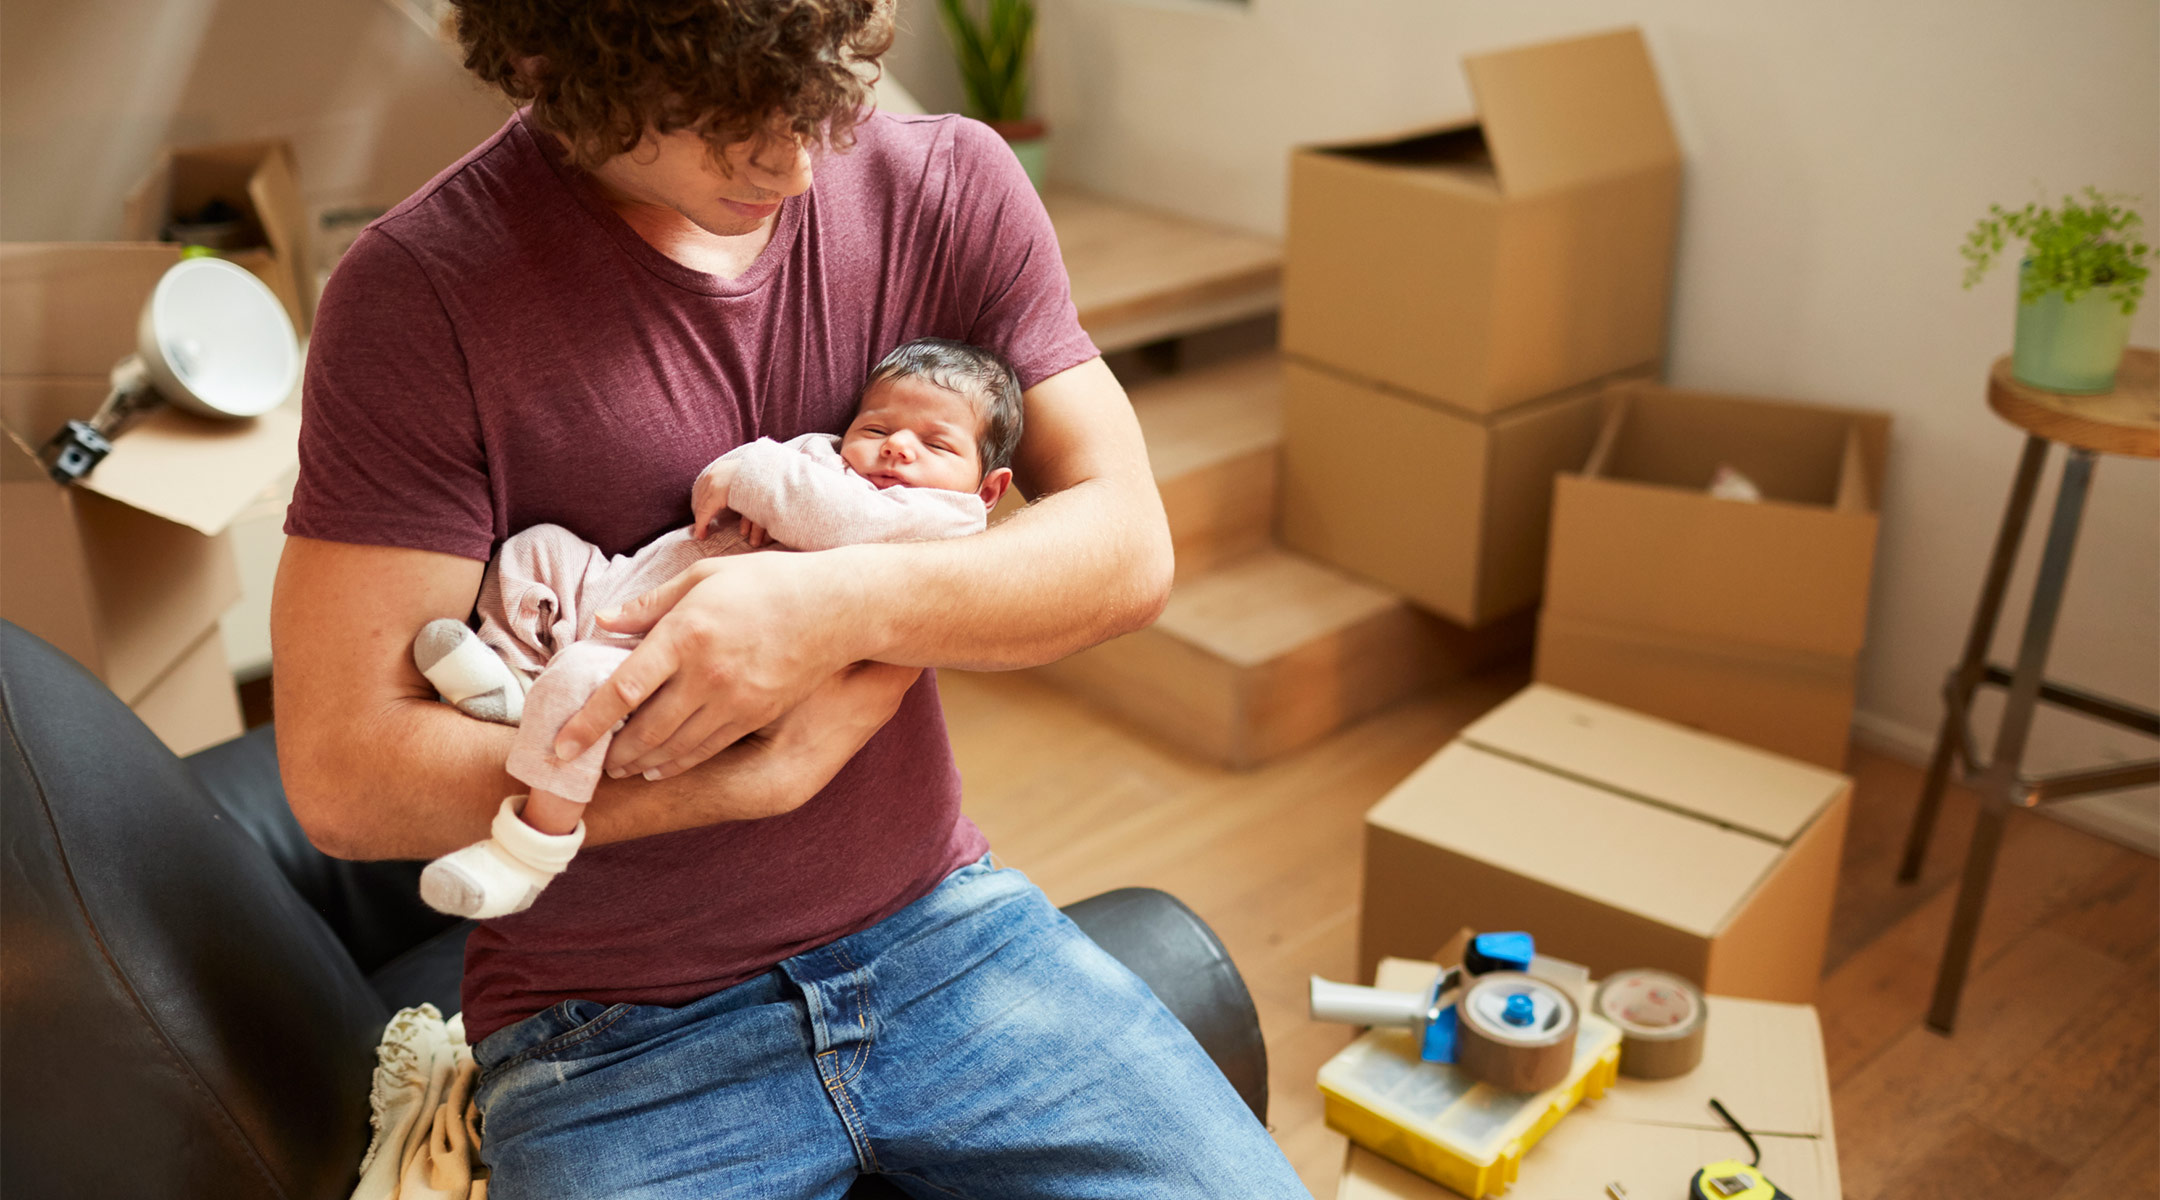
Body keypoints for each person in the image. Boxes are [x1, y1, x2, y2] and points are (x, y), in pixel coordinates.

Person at [270, 0, 1313, 1195]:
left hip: (944, 936)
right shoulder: (418, 296)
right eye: (721, 122)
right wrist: (740, 777)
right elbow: (342, 774)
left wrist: (829, 609)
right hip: (607, 1039)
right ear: (550, 61)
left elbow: (1126, 548)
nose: (795, 162)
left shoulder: (948, 183)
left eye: (818, 96)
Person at [412, 338, 1020, 920]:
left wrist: (759, 479)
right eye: (878, 429)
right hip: (618, 589)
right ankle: (516, 682)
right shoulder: (825, 457)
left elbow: (842, 520)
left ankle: (529, 850)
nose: (897, 449)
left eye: (936, 444)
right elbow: (736, 478)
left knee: (582, 681)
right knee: (536, 551)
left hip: (670, 657)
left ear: (989, 487)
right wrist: (758, 481)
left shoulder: (944, 521)